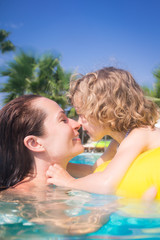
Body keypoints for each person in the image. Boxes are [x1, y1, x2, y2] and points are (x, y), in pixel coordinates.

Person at [0, 94, 112, 235]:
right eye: (63, 120)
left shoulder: (60, 177)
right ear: (35, 143)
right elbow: (72, 228)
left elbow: (100, 171)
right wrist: (115, 204)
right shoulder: (25, 197)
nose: (77, 124)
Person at [46, 67, 160, 199]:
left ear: (105, 111)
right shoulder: (117, 142)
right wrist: (59, 167)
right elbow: (92, 171)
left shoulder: (139, 134)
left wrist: (68, 182)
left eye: (82, 115)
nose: (80, 123)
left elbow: (107, 184)